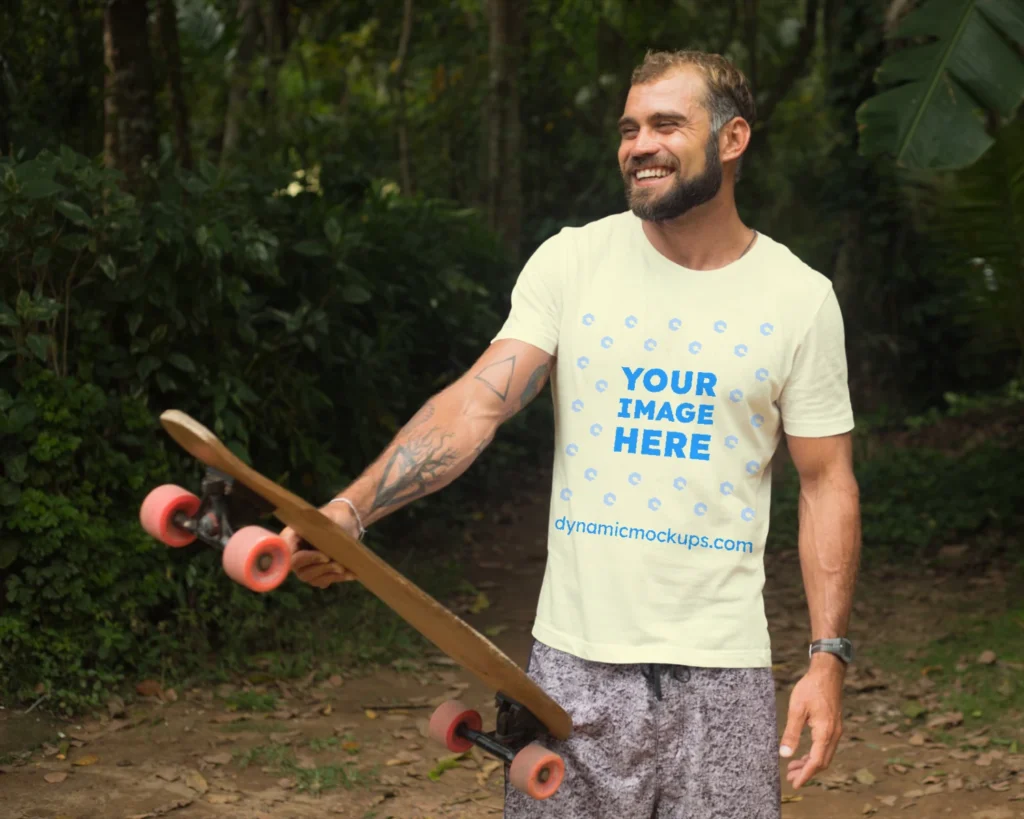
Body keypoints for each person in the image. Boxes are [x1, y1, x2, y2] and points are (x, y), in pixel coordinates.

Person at [280, 48, 861, 819]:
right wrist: (351, 512)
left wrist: (827, 657)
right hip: (574, 668)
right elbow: (475, 405)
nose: (638, 144)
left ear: (732, 139)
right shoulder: (574, 262)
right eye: (628, 128)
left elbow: (826, 481)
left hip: (724, 672)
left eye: (665, 123)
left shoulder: (800, 298)